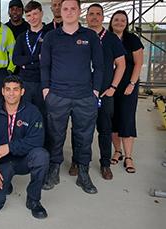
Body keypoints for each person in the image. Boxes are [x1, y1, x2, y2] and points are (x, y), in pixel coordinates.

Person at [41, 0, 104, 194]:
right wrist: (46, 90)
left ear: (79, 11)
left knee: (84, 136)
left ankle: (83, 172)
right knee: (55, 135)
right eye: (65, 8)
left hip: (85, 96)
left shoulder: (90, 36)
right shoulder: (51, 36)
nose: (68, 12)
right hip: (57, 95)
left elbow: (100, 66)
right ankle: (53, 169)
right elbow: (45, 66)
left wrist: (95, 91)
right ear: (60, 10)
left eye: (72, 9)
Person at [68, 3, 126, 180]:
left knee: (105, 129)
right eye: (91, 14)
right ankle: (76, 161)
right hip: (81, 93)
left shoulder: (111, 38)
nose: (94, 17)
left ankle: (105, 164)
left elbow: (121, 64)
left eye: (98, 14)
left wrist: (113, 88)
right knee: (79, 129)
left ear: (102, 17)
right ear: (86, 16)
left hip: (103, 93)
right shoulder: (79, 35)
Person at [0, 75, 49, 219]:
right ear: (2, 91)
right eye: (8, 89)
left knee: (41, 156)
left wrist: (10, 147)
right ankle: (7, 180)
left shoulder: (33, 112)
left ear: (22, 91)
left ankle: (33, 200)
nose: (11, 93)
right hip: (0, 163)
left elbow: (37, 140)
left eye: (15, 89)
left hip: (23, 160)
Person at [109, 10, 144, 173]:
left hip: (128, 85)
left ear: (126, 23)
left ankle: (128, 156)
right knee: (112, 119)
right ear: (111, 22)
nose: (119, 23)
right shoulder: (105, 38)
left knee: (127, 118)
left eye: (123, 20)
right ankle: (117, 151)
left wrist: (132, 83)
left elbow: (138, 63)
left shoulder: (132, 40)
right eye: (116, 20)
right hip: (109, 86)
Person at [12, 0, 48, 112]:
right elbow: (16, 60)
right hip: (25, 82)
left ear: (41, 13)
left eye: (35, 14)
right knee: (25, 115)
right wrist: (37, 58)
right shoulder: (22, 37)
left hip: (43, 82)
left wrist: (26, 64)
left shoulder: (50, 35)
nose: (32, 18)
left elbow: (50, 60)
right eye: (28, 15)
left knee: (43, 115)